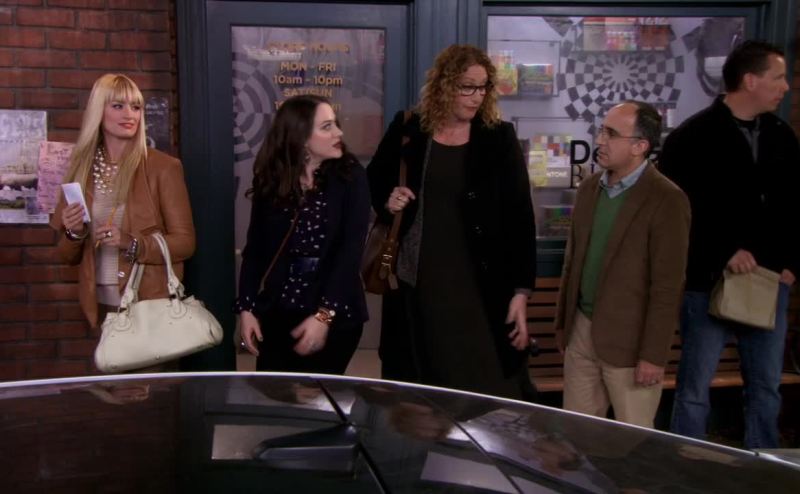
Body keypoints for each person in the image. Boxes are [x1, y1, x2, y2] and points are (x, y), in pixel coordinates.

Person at [366, 44, 537, 400]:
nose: (477, 97)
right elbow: (376, 180)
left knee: (487, 383)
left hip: (480, 281)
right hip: (420, 280)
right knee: (422, 388)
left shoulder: (498, 137)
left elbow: (520, 217)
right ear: (444, 85)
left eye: (483, 87)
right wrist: (389, 200)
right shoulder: (409, 127)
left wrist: (521, 291)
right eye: (467, 87)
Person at [661, 40, 799, 449]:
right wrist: (723, 252)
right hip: (707, 283)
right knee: (694, 388)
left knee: (766, 388)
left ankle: (764, 466)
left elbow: (796, 205)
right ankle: (685, 462)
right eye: (778, 77)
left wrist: (792, 263)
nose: (786, 87)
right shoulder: (692, 137)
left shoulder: (781, 136)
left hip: (769, 283)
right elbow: (678, 214)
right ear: (750, 80)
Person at [554, 101, 690, 428]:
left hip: (631, 343)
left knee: (634, 445)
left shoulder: (667, 199)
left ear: (640, 146)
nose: (600, 140)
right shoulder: (589, 189)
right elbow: (572, 263)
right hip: (581, 332)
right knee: (578, 437)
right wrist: (564, 326)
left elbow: (667, 287)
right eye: (602, 131)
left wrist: (653, 355)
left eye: (611, 134)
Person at [51, 74, 196, 370]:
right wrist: (75, 233)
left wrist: (132, 243)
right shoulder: (80, 170)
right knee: (113, 393)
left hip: (149, 307)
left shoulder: (163, 167)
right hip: (101, 307)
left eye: (136, 106)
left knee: (148, 392)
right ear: (98, 111)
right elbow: (66, 257)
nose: (129, 114)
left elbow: (185, 243)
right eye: (118, 106)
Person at [235, 95, 370, 374]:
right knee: (275, 394)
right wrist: (246, 308)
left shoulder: (351, 176)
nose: (339, 133)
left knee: (319, 396)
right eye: (327, 127)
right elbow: (256, 250)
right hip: (278, 309)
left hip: (335, 312)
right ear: (301, 137)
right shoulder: (274, 179)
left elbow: (350, 252)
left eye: (335, 124)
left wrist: (323, 316)